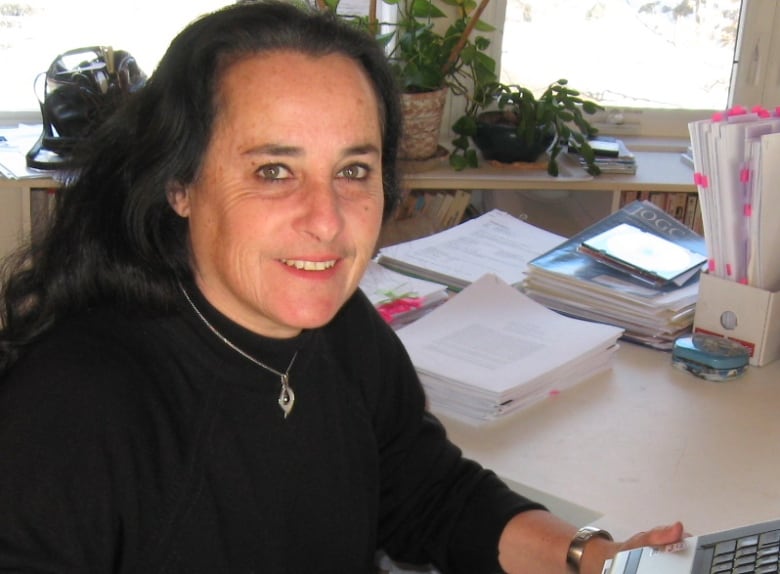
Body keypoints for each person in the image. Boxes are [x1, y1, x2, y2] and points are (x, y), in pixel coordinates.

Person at [0, 2, 683, 572]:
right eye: (274, 171)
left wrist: (595, 558)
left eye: (353, 171)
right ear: (178, 183)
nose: (327, 222)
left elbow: (426, 493)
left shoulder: (339, 327)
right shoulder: (72, 408)